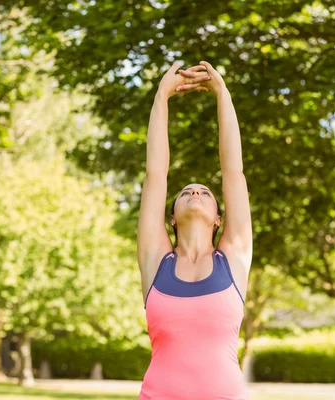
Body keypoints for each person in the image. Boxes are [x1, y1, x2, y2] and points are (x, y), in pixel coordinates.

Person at [137, 61, 252, 400]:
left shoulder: (233, 256)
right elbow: (155, 174)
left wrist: (223, 95)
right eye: (186, 191)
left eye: (204, 192)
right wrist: (161, 97)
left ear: (219, 217)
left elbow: (234, 173)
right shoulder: (155, 260)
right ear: (171, 216)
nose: (195, 193)